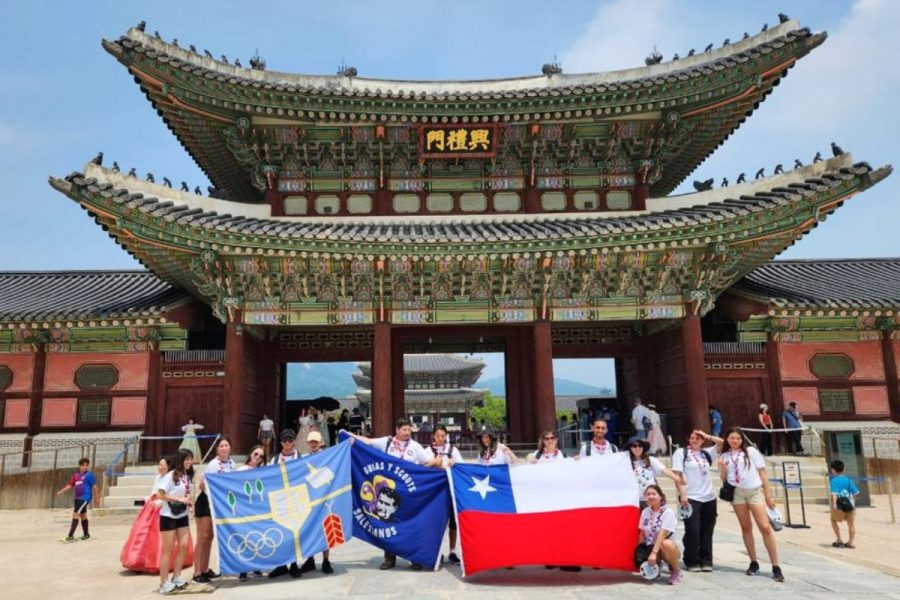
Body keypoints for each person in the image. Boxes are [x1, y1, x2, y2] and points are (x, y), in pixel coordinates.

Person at [352, 418, 437, 570]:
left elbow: (428, 462)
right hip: (388, 492)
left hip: (409, 493)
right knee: (388, 522)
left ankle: (413, 557)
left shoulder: (415, 447)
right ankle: (389, 558)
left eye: (409, 430)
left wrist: (431, 464)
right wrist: (350, 435)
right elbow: (368, 442)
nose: (407, 433)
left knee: (409, 523)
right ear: (396, 430)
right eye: (404, 429)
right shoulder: (387, 442)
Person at [718, 427, 783, 582]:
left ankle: (775, 565)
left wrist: (768, 496)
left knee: (765, 527)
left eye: (738, 438)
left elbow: (762, 473)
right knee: (746, 527)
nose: (735, 441)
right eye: (732, 438)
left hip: (754, 491)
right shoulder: (724, 455)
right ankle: (753, 561)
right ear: (727, 439)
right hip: (737, 493)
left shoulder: (751, 452)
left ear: (742, 440)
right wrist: (722, 469)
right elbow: (725, 480)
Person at [120, 457, 195, 573]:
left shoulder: (172, 477)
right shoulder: (158, 477)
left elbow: (171, 493)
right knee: (144, 534)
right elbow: (155, 491)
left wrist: (162, 501)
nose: (159, 467)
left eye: (162, 465)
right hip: (153, 507)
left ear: (168, 467)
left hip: (166, 508)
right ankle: (141, 560)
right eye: (159, 465)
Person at [672, 430, 723, 572]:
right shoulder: (681, 453)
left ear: (702, 441)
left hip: (709, 496)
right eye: (692, 438)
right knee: (693, 529)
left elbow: (721, 443)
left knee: (707, 529)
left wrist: (707, 436)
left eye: (698, 438)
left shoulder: (706, 453)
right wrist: (682, 494)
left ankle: (706, 560)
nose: (694, 440)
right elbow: (678, 474)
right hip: (691, 496)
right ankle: (691, 560)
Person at [193, 437, 235, 583]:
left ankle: (205, 569)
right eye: (221, 446)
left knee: (209, 537)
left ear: (230, 448)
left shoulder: (232, 464)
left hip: (218, 503)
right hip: (205, 502)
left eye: (227, 445)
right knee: (202, 537)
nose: (224, 448)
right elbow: (203, 485)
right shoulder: (213, 465)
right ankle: (197, 572)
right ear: (217, 449)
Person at [156, 449, 194, 595]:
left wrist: (189, 500)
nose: (189, 462)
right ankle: (164, 582)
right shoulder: (171, 475)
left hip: (182, 514)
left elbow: (187, 492)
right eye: (186, 459)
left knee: (184, 545)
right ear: (180, 460)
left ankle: (177, 576)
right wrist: (178, 499)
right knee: (167, 549)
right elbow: (160, 494)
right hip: (168, 515)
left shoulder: (188, 475)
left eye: (190, 459)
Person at [298, 431, 335, 575]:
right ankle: (310, 559)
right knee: (309, 528)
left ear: (320, 443)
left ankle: (326, 560)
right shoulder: (303, 459)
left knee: (326, 529)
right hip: (308, 498)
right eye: (311, 442)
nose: (313, 444)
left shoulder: (327, 457)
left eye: (316, 442)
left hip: (324, 498)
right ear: (307, 443)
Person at [268, 429, 303, 579]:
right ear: (281, 442)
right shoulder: (274, 460)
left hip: (295, 499)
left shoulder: (301, 457)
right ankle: (281, 565)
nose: (288, 443)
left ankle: (294, 564)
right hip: (280, 500)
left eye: (290, 440)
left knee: (294, 532)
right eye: (285, 440)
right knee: (280, 532)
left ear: (294, 441)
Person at [427, 425, 464, 565]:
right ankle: (438, 551)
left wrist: (455, 462)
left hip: (451, 488)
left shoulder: (453, 450)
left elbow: (463, 467)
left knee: (453, 521)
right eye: (438, 436)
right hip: (435, 491)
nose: (441, 438)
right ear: (434, 437)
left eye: (443, 436)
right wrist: (433, 463)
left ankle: (453, 551)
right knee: (438, 521)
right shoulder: (427, 451)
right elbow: (421, 465)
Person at [638, 484, 683, 585]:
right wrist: (640, 552)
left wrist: (653, 553)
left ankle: (675, 570)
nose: (650, 496)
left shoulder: (668, 512)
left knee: (666, 543)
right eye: (648, 494)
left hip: (667, 549)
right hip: (652, 546)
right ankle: (657, 566)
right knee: (650, 577)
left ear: (660, 496)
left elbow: (662, 534)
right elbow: (642, 534)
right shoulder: (645, 512)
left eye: (654, 494)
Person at [236, 446, 267, 581]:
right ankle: (243, 569)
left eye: (261, 456)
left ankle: (255, 566)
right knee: (244, 539)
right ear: (250, 453)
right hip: (243, 510)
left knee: (256, 538)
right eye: (256, 454)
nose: (257, 457)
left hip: (257, 509)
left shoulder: (262, 471)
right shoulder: (240, 470)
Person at [627, 436, 681, 508]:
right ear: (630, 448)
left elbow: (665, 471)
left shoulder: (650, 460)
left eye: (640, 446)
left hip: (650, 498)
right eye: (634, 446)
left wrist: (677, 478)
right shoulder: (626, 462)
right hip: (633, 500)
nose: (637, 448)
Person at [57, 457, 99, 542]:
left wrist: (97, 498)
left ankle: (70, 536)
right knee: (83, 515)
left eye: (87, 465)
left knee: (75, 514)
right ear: (79, 466)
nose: (85, 467)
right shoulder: (76, 476)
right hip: (77, 498)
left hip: (85, 497)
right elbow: (70, 485)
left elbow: (95, 487)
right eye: (83, 465)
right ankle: (86, 534)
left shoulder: (89, 475)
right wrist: (62, 491)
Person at [829, 460, 860, 549]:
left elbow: (834, 494)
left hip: (839, 505)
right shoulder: (848, 480)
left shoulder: (834, 481)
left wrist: (834, 505)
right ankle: (850, 542)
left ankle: (839, 540)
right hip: (850, 505)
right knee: (851, 524)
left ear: (833, 470)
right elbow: (855, 493)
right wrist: (853, 504)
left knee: (833, 520)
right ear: (843, 469)